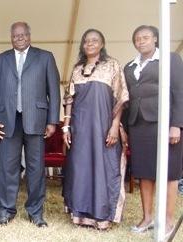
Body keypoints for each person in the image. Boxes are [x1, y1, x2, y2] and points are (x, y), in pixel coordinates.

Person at [0, 21, 60, 227]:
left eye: (23, 34)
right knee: (7, 168)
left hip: (36, 119)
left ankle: (35, 212)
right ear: (11, 38)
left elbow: (53, 91)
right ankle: (6, 211)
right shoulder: (1, 60)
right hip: (7, 121)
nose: (19, 38)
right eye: (15, 35)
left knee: (36, 168)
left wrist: (52, 120)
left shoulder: (45, 57)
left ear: (29, 35)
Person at [62, 29, 129, 230]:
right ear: (82, 46)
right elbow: (69, 100)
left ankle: (102, 216)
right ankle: (80, 215)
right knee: (80, 169)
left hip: (103, 127)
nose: (90, 44)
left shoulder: (112, 65)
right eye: (86, 41)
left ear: (102, 44)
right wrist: (66, 127)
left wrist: (115, 127)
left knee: (104, 168)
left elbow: (120, 98)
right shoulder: (77, 69)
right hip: (80, 128)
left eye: (94, 40)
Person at [124, 25, 183, 236]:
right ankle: (148, 217)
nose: (141, 41)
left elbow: (179, 91)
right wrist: (124, 126)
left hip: (165, 124)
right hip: (138, 124)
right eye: (137, 38)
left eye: (146, 37)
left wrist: (176, 124)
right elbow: (127, 98)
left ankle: (167, 220)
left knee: (169, 173)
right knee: (144, 172)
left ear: (156, 39)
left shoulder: (170, 59)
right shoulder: (129, 67)